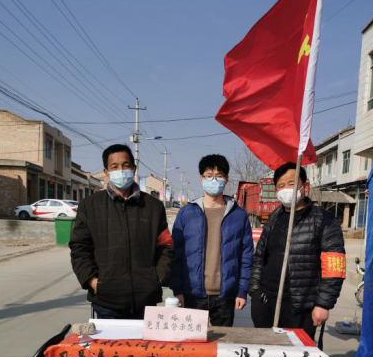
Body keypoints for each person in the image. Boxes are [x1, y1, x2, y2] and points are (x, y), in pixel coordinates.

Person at [70, 144, 174, 319]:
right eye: (115, 166)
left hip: (146, 300)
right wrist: (93, 281)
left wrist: (158, 278)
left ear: (134, 168)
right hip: (106, 302)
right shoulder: (90, 206)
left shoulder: (153, 207)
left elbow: (166, 246)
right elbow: (79, 248)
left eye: (126, 165)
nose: (121, 170)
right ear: (106, 172)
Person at [249, 162, 345, 339]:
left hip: (301, 307)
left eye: (292, 183)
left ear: (304, 186)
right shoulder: (274, 217)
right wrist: (255, 292)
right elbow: (259, 257)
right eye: (281, 185)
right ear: (276, 190)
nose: (286, 189)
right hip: (266, 301)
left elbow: (334, 267)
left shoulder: (324, 220)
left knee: (296, 353)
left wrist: (323, 304)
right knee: (265, 351)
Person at [170, 154, 253, 327]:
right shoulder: (187, 213)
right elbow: (176, 254)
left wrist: (242, 290)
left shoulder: (239, 215)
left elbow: (246, 256)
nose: (214, 180)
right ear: (202, 179)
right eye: (209, 176)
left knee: (222, 343)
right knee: (192, 342)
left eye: (219, 176)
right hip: (192, 294)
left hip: (225, 295)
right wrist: (177, 289)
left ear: (226, 179)